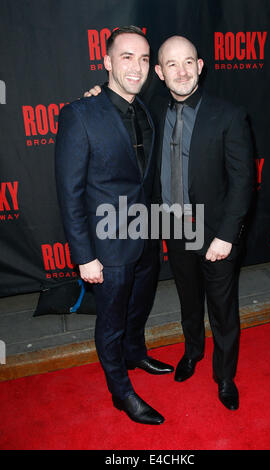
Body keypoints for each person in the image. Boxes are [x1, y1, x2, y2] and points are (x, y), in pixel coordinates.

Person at [84, 35, 254, 411]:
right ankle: (192, 353)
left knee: (223, 308)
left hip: (216, 234)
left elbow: (243, 182)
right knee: (189, 300)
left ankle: (224, 375)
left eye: (189, 62)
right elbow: (113, 109)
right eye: (172, 65)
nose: (182, 71)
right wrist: (95, 96)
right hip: (174, 226)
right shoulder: (151, 110)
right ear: (159, 72)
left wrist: (227, 236)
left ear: (200, 66)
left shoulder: (228, 115)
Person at [55, 26, 174, 426]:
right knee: (109, 323)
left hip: (145, 236)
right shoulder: (79, 114)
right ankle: (121, 392)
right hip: (106, 247)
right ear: (106, 61)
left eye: (144, 59)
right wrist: (84, 257)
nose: (136, 67)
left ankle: (135, 352)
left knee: (138, 307)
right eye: (126, 57)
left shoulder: (146, 110)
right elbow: (70, 194)